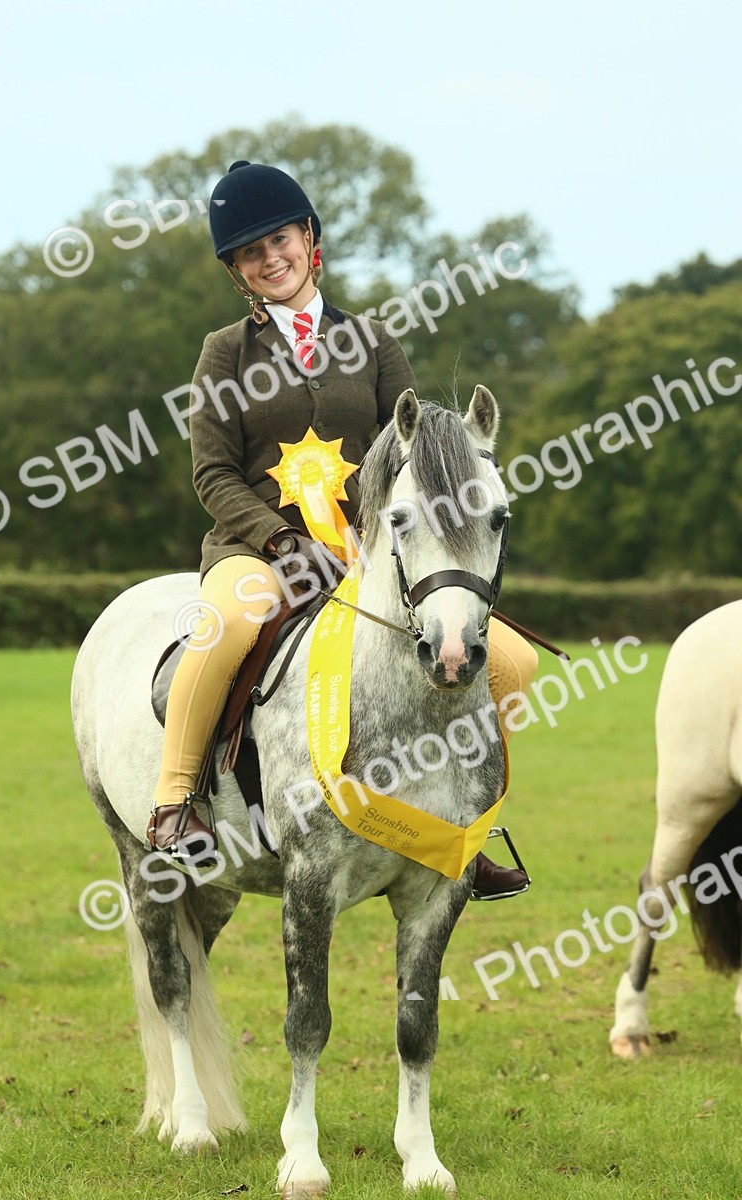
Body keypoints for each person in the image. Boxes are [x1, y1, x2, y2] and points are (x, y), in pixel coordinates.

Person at [148, 160, 537, 898]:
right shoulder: (223, 354)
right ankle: (175, 804)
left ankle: (465, 826)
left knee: (512, 661)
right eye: (251, 253)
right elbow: (213, 475)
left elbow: (416, 454)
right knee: (226, 623)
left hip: (369, 557)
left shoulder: (375, 343)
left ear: (310, 239)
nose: (271, 259)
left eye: (281, 240)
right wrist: (277, 541)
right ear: (238, 272)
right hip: (258, 550)